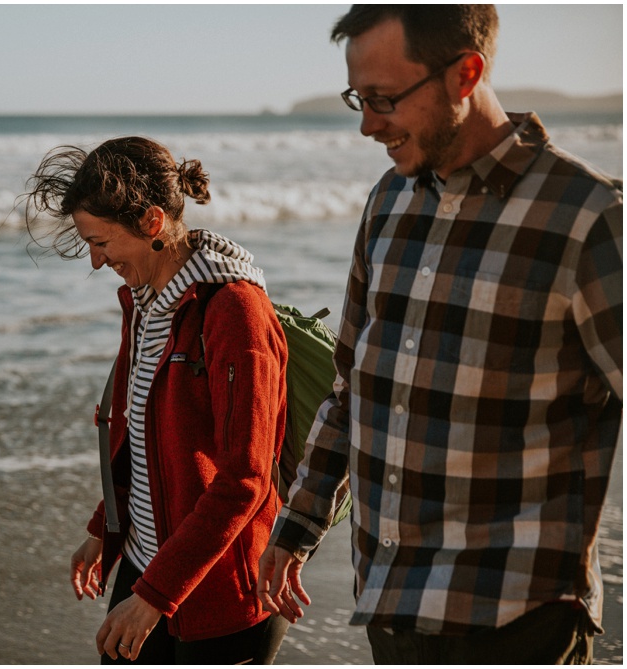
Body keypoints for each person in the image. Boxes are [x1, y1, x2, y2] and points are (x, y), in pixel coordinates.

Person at [257, 5, 622, 665]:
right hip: (392, 618)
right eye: (356, 99)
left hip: (519, 631)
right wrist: (298, 526)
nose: (367, 124)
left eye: (383, 99)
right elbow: (351, 388)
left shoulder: (587, 217)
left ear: (466, 73)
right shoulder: (386, 203)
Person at [24, 136, 290, 664]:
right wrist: (107, 528)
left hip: (219, 597)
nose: (97, 262)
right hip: (147, 567)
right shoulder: (145, 303)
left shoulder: (234, 312)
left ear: (150, 222)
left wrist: (154, 597)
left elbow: (246, 480)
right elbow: (139, 437)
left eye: (101, 242)